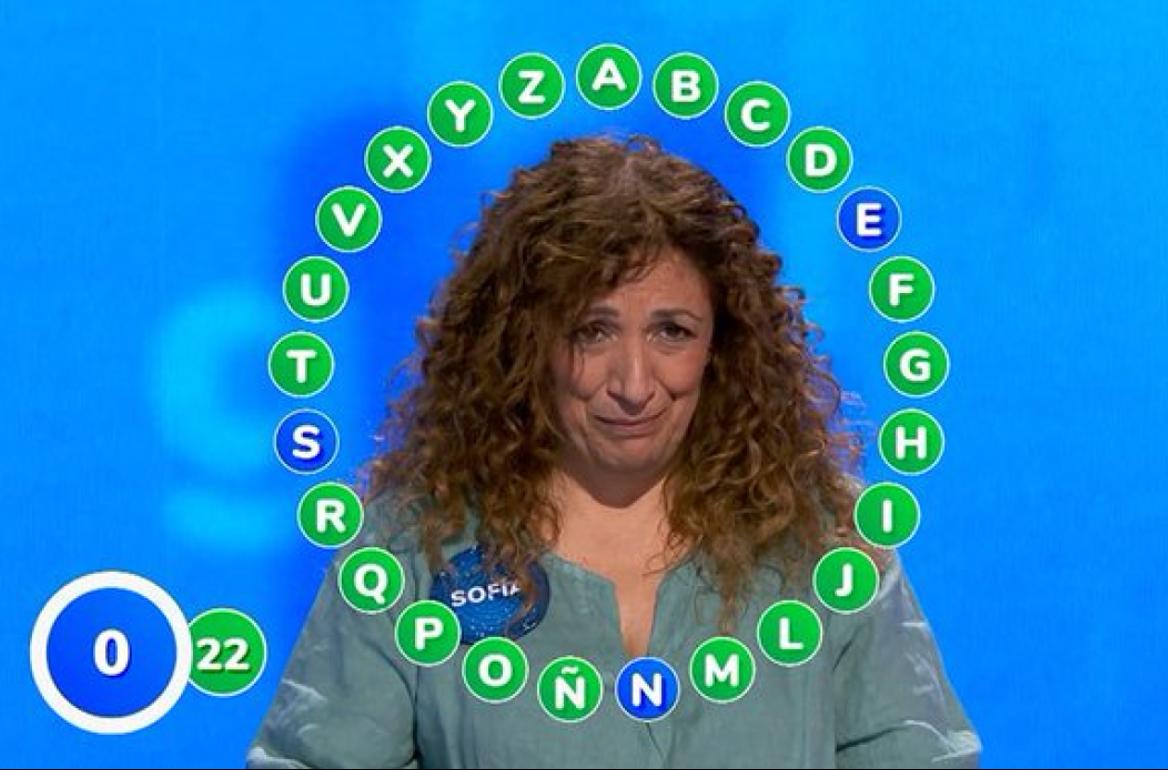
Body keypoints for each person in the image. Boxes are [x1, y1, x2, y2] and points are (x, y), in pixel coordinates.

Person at [246, 134, 980, 768]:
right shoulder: (413, 548)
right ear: (525, 344)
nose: (633, 384)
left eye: (671, 332)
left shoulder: (825, 542)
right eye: (591, 332)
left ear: (720, 347)